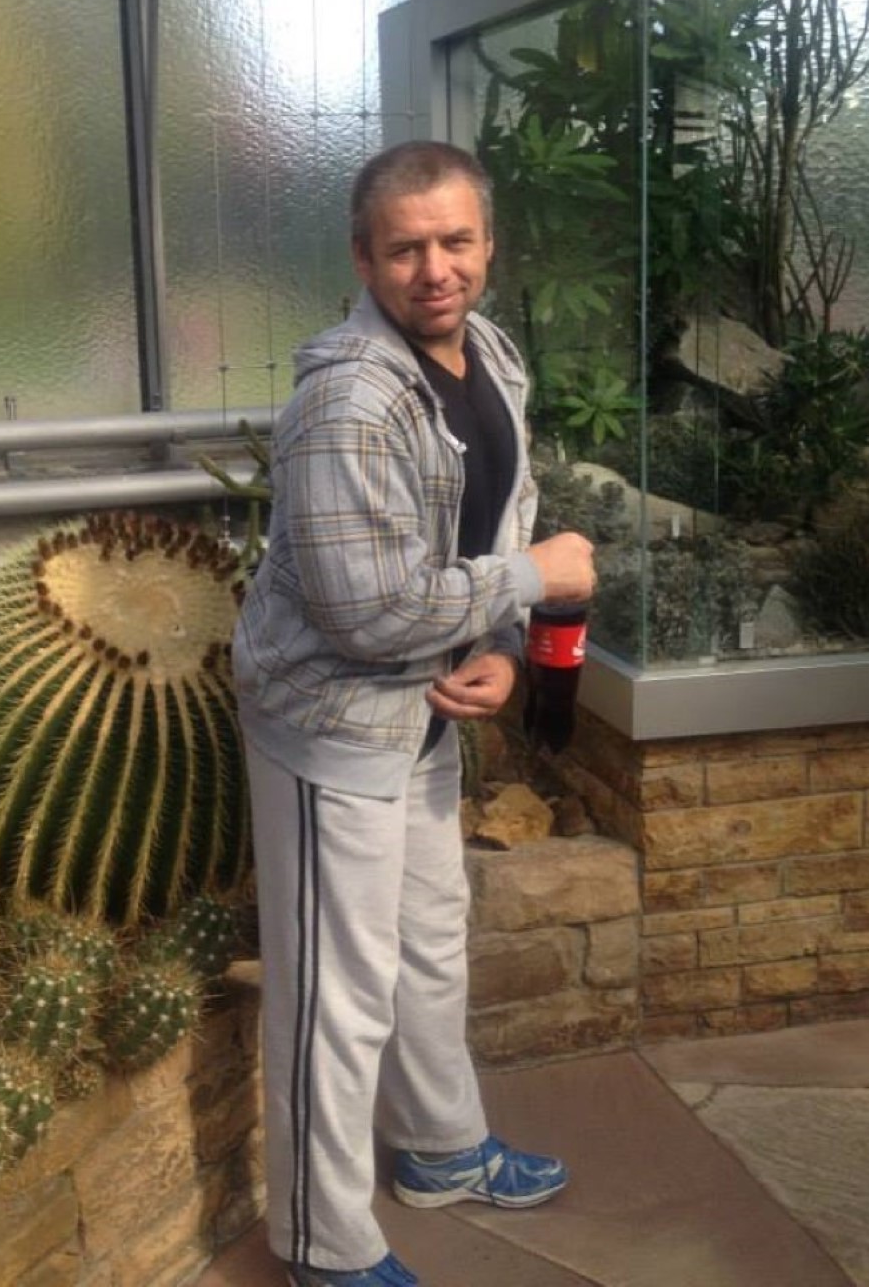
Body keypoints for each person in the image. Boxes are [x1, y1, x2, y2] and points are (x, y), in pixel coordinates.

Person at [231, 140, 596, 1287]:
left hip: (422, 709)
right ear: (363, 258)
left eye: (455, 241)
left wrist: (499, 646)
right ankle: (321, 1241)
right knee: (335, 993)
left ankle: (441, 1148)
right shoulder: (349, 399)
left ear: (488, 244)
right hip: (333, 724)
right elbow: (365, 609)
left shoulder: (490, 353)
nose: (435, 268)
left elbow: (500, 518)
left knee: (430, 945)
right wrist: (533, 581)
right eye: (405, 248)